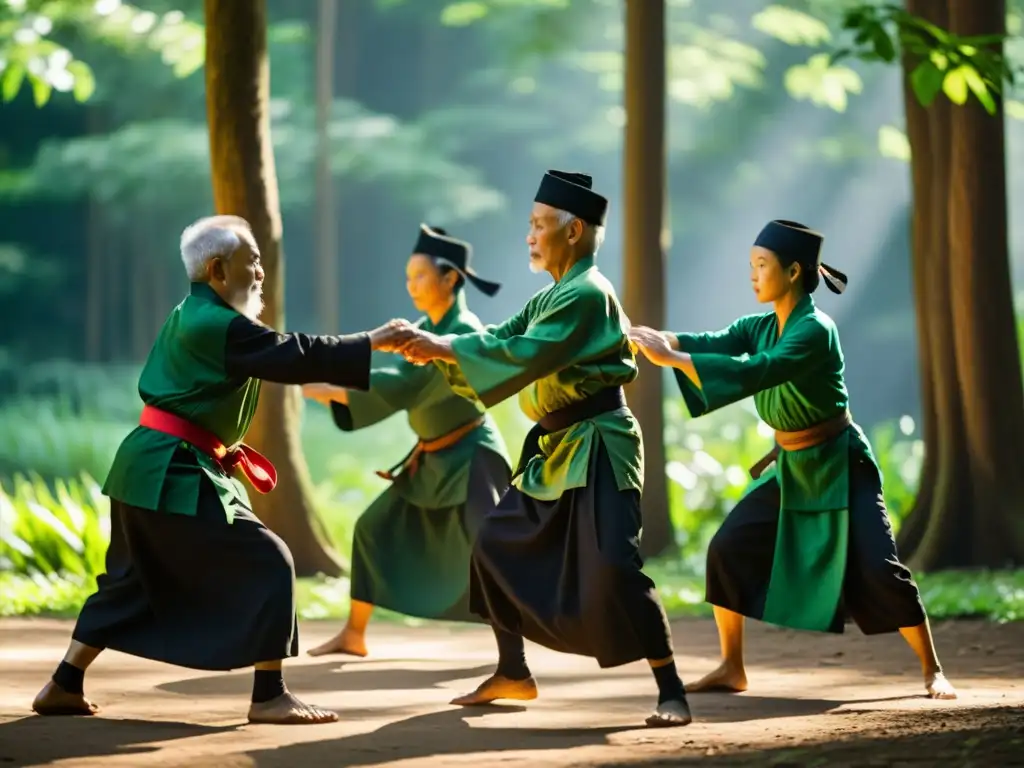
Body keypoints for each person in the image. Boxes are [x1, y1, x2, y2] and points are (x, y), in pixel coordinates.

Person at [30, 215, 416, 725]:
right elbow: (292, 354)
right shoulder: (219, 325)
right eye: (251, 261)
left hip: (146, 465)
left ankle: (64, 683)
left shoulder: (192, 313)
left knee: (129, 580)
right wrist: (370, 340)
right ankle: (270, 695)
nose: (260, 272)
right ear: (217, 269)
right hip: (175, 468)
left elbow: (280, 352)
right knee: (271, 560)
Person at [394, 171, 692, 728]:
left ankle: (671, 689)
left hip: (601, 444)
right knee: (493, 543)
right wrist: (436, 349)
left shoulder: (588, 292)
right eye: (528, 225)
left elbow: (524, 355)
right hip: (556, 449)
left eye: (538, 225)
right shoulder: (552, 294)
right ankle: (513, 671)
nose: (528, 236)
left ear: (574, 230)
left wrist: (444, 346)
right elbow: (505, 340)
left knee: (615, 568)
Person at [628, 218, 957, 700]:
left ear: (794, 271)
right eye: (751, 265)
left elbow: (764, 369)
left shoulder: (816, 330)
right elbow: (713, 343)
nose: (753, 275)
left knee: (880, 566)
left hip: (841, 464)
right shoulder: (759, 326)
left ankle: (933, 669)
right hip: (792, 466)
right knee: (727, 549)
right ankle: (731, 667)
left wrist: (673, 360)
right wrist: (655, 339)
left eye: (762, 265)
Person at [301, 224, 512, 657]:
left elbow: (403, 383)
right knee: (372, 527)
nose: (410, 285)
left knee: (492, 552)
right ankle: (354, 634)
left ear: (450, 278)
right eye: (407, 277)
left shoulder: (462, 332)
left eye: (419, 276)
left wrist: (332, 389)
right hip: (431, 459)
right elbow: (396, 373)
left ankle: (514, 655)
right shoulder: (422, 327)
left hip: (473, 459)